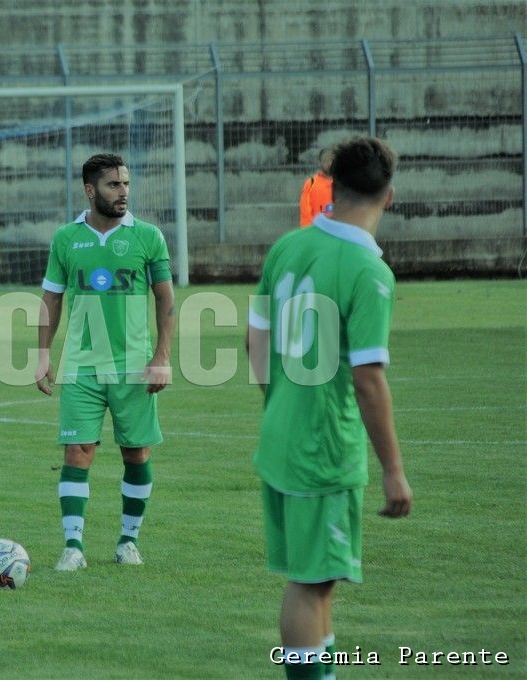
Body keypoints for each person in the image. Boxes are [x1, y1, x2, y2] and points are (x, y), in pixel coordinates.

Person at [246, 136, 413, 679]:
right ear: (389, 197)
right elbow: (367, 380)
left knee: (318, 581)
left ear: (332, 187)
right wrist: (393, 472)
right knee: (310, 582)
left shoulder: (287, 248)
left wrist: (280, 406)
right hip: (324, 448)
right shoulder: (368, 270)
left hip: (283, 437)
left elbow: (255, 341)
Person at [35, 153, 175, 572]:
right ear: (90, 189)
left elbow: (165, 297)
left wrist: (162, 357)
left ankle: (128, 542)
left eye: (126, 184)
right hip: (81, 365)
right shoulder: (66, 239)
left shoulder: (148, 236)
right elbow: (52, 298)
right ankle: (73, 547)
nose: (124, 193)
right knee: (77, 452)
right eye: (114, 185)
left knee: (137, 453)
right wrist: (42, 354)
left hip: (134, 366)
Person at [298, 148, 334, 227]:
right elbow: (305, 212)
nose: (329, 163)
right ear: (320, 162)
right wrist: (309, 232)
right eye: (325, 160)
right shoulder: (311, 183)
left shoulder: (342, 183)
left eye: (331, 159)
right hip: (317, 230)